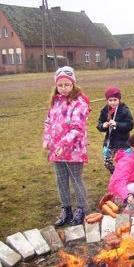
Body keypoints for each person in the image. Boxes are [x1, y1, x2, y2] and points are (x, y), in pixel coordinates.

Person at [43, 66, 90, 227]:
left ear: (73, 84)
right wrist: (47, 139)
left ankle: (81, 209)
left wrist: (64, 144)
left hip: (74, 150)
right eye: (60, 85)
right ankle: (66, 209)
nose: (63, 88)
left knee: (76, 180)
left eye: (67, 85)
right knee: (61, 180)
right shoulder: (54, 102)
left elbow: (78, 128)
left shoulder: (79, 103)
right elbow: (48, 122)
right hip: (57, 151)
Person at [96, 86, 134, 174]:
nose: (113, 102)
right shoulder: (104, 110)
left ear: (119, 99)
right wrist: (103, 126)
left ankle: (122, 177)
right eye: (110, 100)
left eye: (115, 100)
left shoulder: (124, 110)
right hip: (109, 143)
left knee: (122, 163)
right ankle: (115, 174)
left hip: (122, 143)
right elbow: (99, 124)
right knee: (107, 163)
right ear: (107, 100)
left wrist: (117, 124)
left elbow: (130, 124)